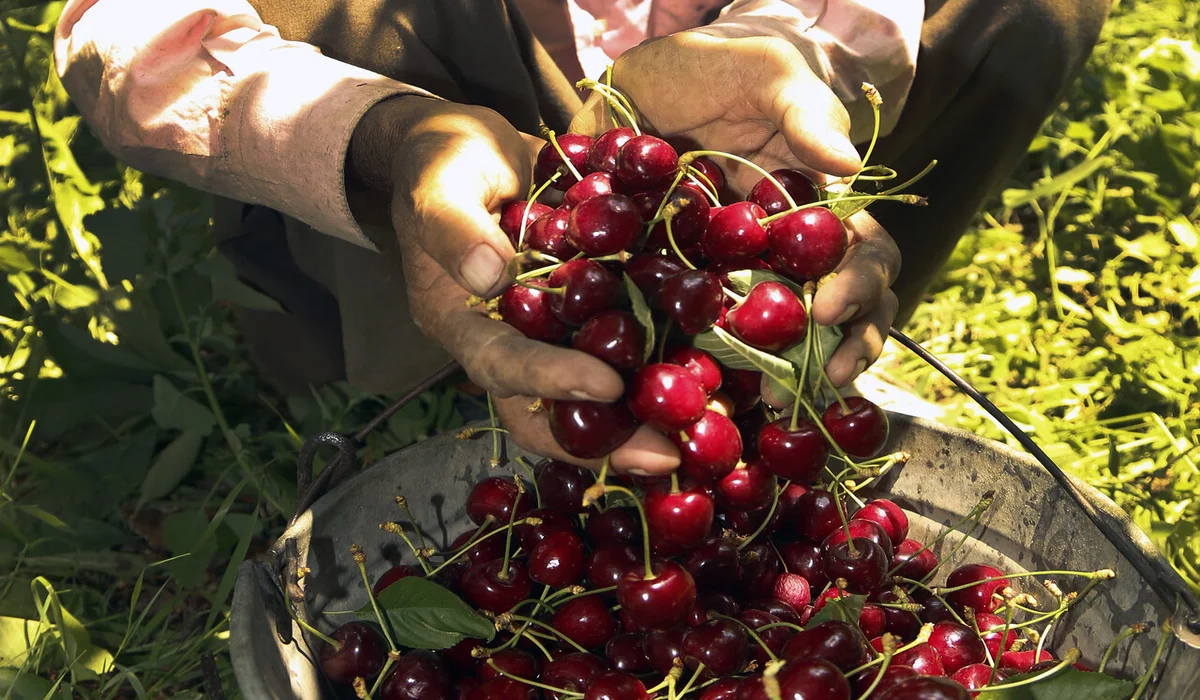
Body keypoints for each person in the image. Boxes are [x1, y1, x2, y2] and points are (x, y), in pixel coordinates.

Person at [54, 0, 1109, 475]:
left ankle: (775, 370)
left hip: (708, 124)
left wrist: (795, 40)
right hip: (437, 96)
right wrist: (385, 147)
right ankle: (436, 375)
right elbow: (125, 26)